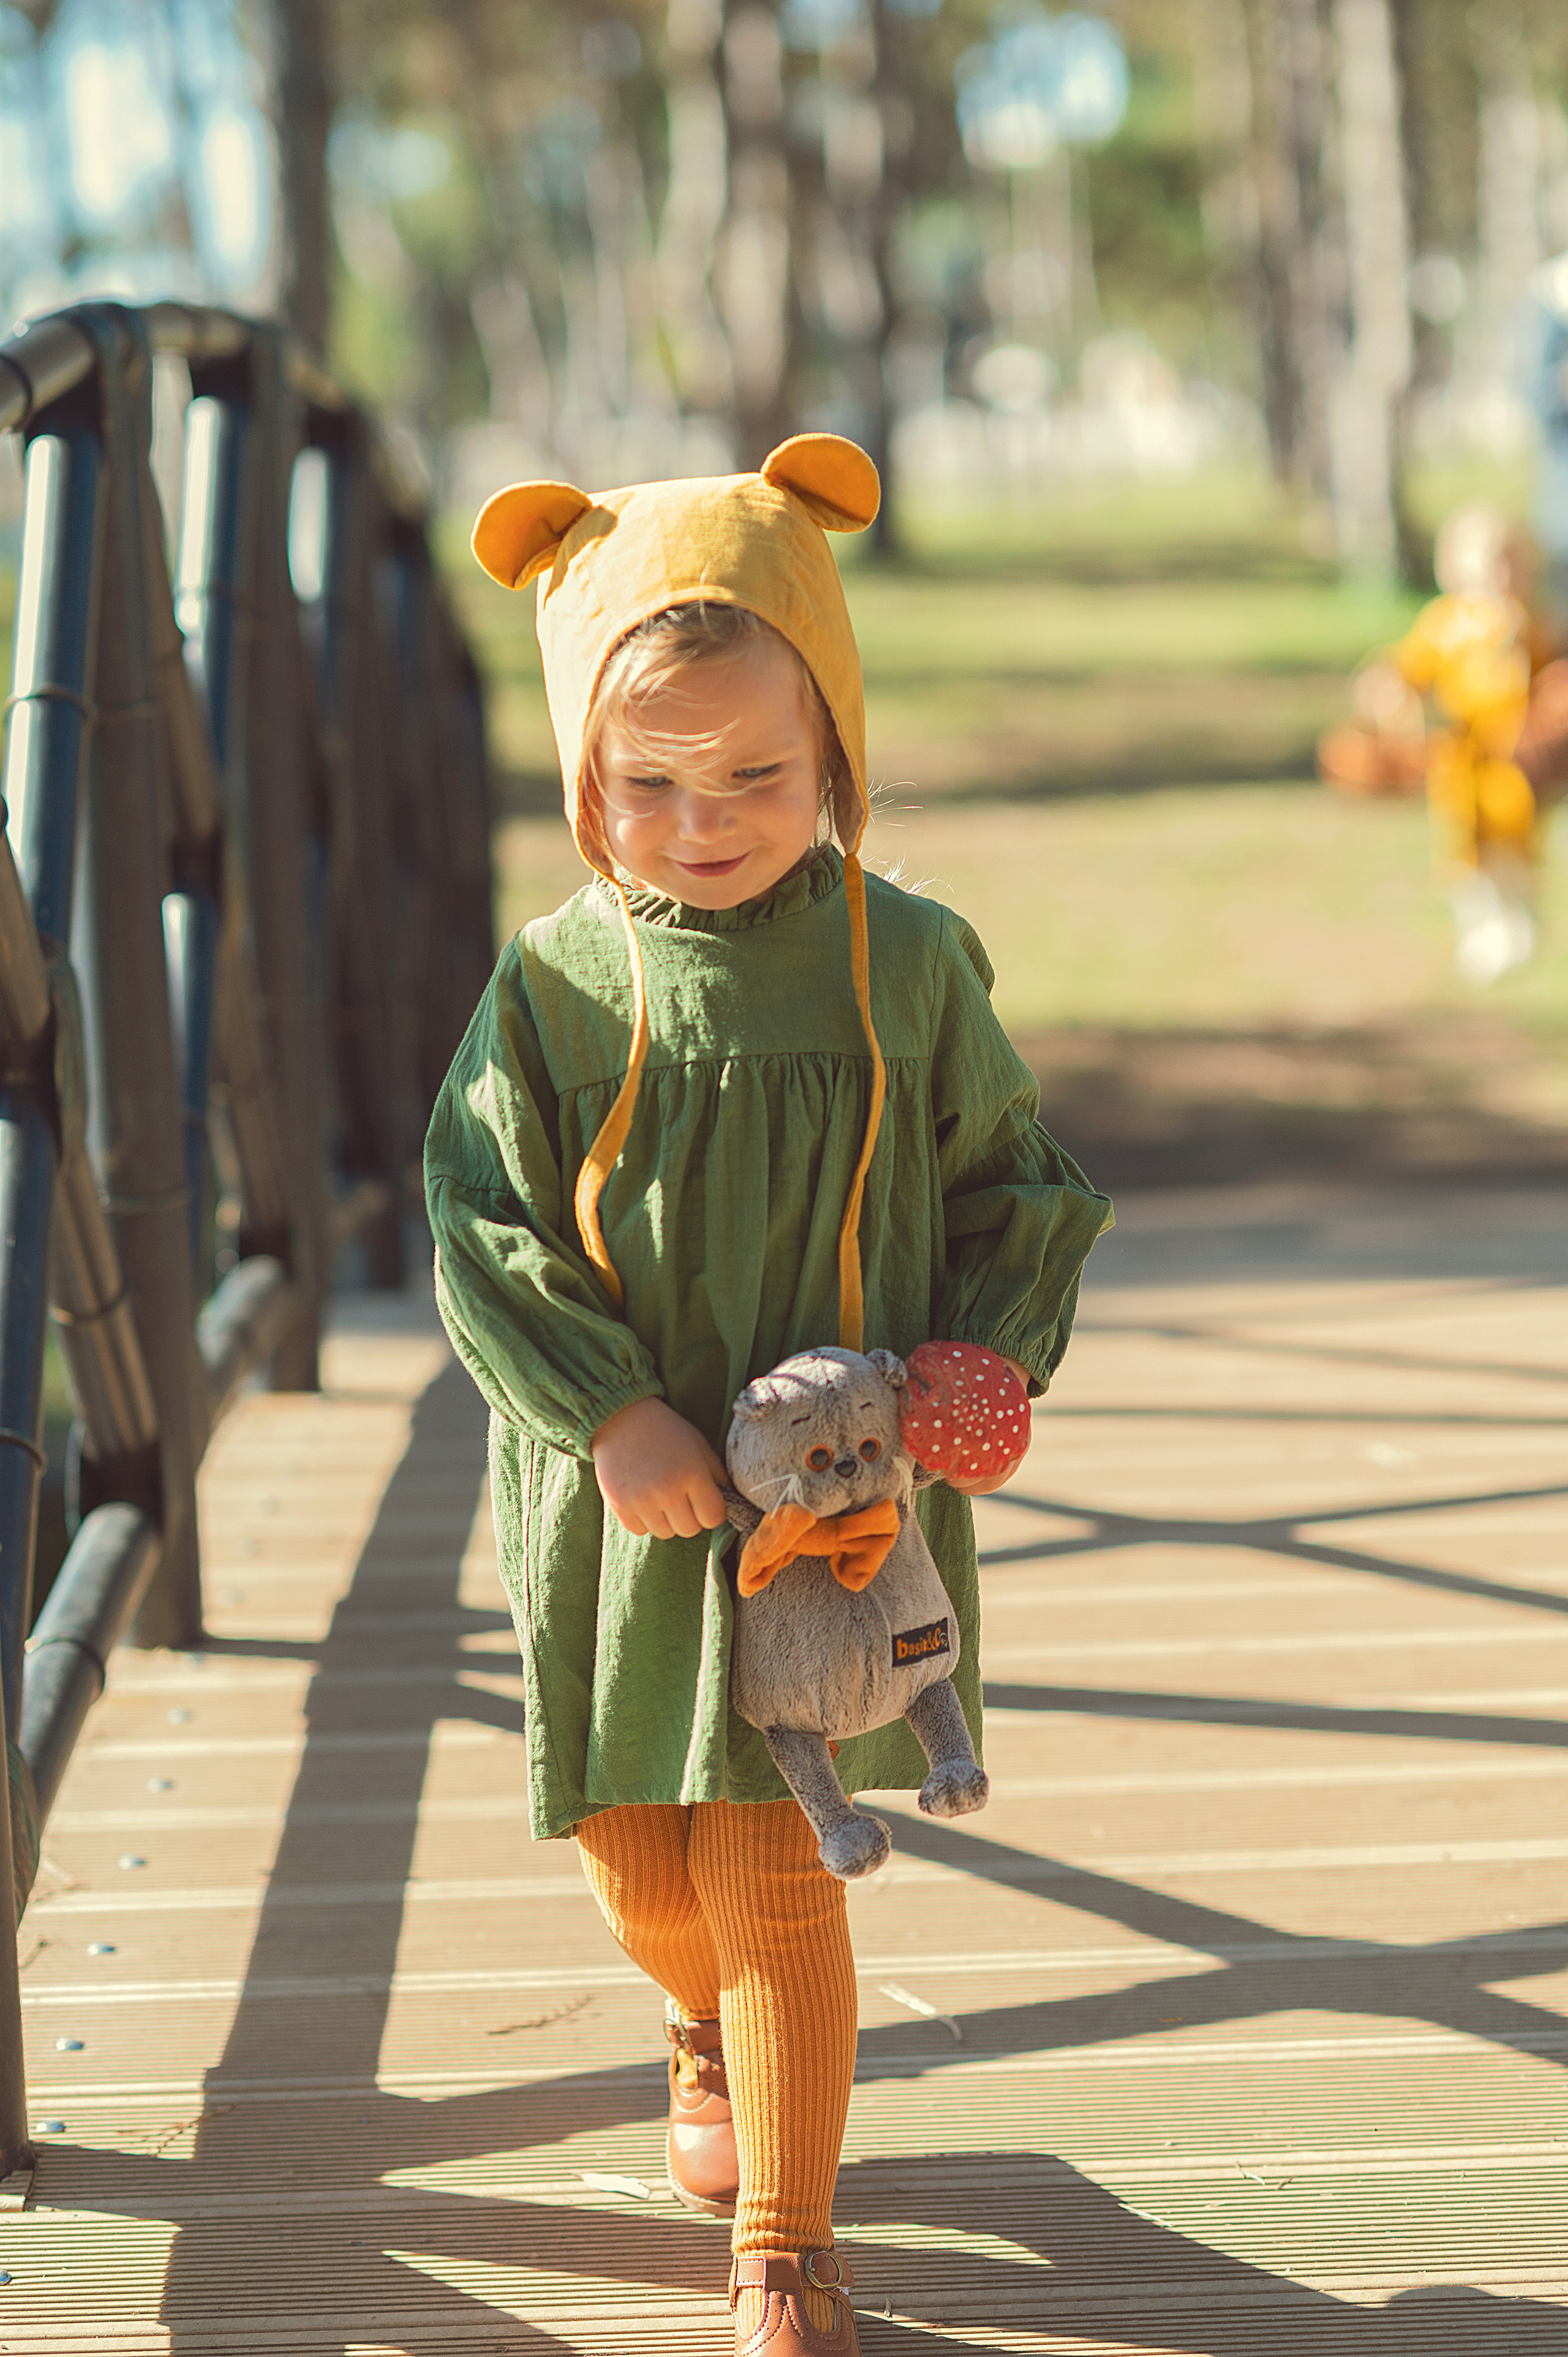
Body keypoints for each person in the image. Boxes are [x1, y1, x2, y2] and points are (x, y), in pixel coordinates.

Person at [424, 433, 1110, 2356]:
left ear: (837, 761)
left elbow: (1017, 1179)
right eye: (646, 782)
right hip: (626, 1500)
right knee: (642, 1856)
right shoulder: (555, 989)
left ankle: (787, 2251)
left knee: (775, 1855)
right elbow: (477, 1217)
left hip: (836, 1495)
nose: (702, 816)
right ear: (580, 776)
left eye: (757, 775)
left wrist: (986, 1343)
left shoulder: (908, 965)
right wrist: (609, 1410)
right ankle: (689, 2017)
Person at [1319, 502, 1568, 985]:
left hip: (1517, 761)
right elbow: (1406, 666)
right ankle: (1480, 928)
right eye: (1484, 567)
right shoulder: (1445, 626)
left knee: (1516, 846)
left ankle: (1519, 922)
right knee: (1466, 849)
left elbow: (1550, 677)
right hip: (1463, 758)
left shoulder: (1532, 624)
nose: (1495, 580)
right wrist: (1388, 689)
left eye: (1506, 566)